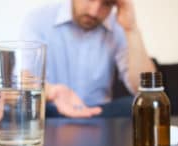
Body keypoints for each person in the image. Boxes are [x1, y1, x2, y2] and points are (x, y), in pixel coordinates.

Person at [21, 0, 155, 118]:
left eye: (107, 3)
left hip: (99, 114)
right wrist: (52, 92)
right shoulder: (39, 19)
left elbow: (146, 89)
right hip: (50, 112)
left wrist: (131, 29)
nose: (94, 12)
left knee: (144, 106)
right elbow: (23, 81)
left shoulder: (118, 26)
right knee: (21, 109)